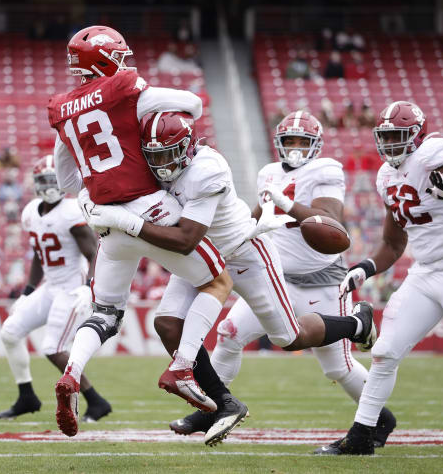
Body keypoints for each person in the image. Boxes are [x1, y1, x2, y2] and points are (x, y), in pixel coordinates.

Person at [84, 111, 378, 445]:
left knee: (288, 338)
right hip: (205, 254)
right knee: (168, 325)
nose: (162, 163)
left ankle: (357, 324)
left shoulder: (208, 169)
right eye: (155, 155)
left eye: (169, 153)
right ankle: (222, 404)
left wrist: (128, 223)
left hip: (241, 255)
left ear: (189, 148)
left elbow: (185, 238)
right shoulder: (259, 172)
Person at [167, 111, 395, 448]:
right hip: (275, 277)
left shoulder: (326, 170)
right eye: (290, 141)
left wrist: (289, 204)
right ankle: (212, 408)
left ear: (316, 145)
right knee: (229, 335)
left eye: (303, 141)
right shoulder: (268, 173)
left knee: (338, 368)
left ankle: (380, 419)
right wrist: (246, 225)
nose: (296, 147)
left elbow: (329, 221)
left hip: (321, 279)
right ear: (278, 143)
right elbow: (260, 212)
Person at [49, 25, 233, 437]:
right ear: (107, 59)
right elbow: (194, 105)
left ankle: (74, 374)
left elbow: (65, 182)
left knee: (105, 313)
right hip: (149, 207)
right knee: (218, 280)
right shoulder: (130, 90)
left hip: (105, 222)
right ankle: (183, 366)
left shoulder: (63, 109)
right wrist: (141, 93)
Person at [316, 101, 443, 455]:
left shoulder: (432, 154)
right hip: (424, 273)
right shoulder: (385, 176)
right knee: (383, 352)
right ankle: (361, 436)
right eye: (386, 136)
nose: (391, 143)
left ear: (417, 136)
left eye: (398, 136)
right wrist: (362, 269)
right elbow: (393, 244)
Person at [0, 156, 111, 422]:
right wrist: (27, 291)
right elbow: (40, 254)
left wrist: (87, 288)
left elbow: (93, 252)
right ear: (36, 184)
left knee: (53, 348)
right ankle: (26, 396)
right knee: (10, 332)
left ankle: (96, 401)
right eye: (44, 180)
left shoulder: (71, 210)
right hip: (50, 286)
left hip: (71, 288)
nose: (49, 185)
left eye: (53, 179)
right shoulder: (31, 211)